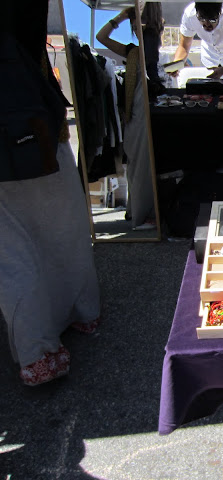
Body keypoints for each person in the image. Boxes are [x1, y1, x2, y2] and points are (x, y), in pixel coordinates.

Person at [0, 2, 101, 386]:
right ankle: (65, 325)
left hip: (31, 123)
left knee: (15, 251)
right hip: (35, 121)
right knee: (58, 231)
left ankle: (41, 349)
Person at [96, 4, 161, 230]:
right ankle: (137, 211)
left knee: (141, 164)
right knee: (136, 163)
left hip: (141, 112)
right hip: (134, 113)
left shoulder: (150, 49)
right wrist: (121, 17)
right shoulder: (133, 52)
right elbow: (101, 37)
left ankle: (141, 213)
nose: (136, 27)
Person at [172, 2, 223, 89]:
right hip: (209, 61)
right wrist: (176, 65)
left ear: (220, 13)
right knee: (205, 95)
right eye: (201, 19)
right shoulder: (190, 15)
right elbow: (184, 46)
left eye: (212, 20)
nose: (206, 24)